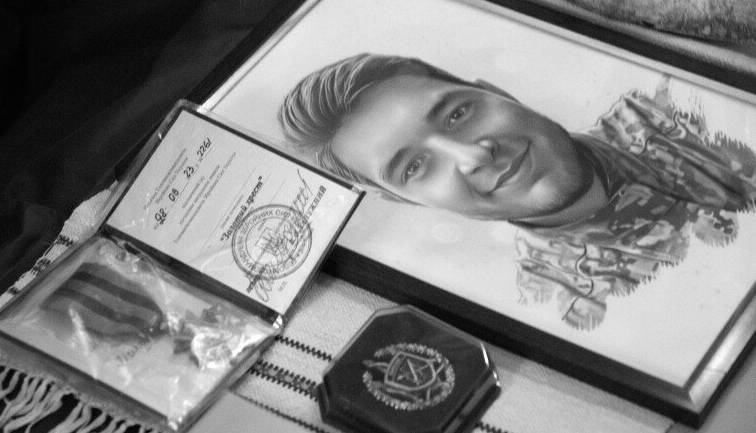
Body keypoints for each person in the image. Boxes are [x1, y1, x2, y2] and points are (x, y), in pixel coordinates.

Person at [279, 53, 756, 330]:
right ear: (408, 202)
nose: (475, 155)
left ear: (495, 91)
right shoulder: (569, 303)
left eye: (457, 114)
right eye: (416, 167)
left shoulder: (682, 113)